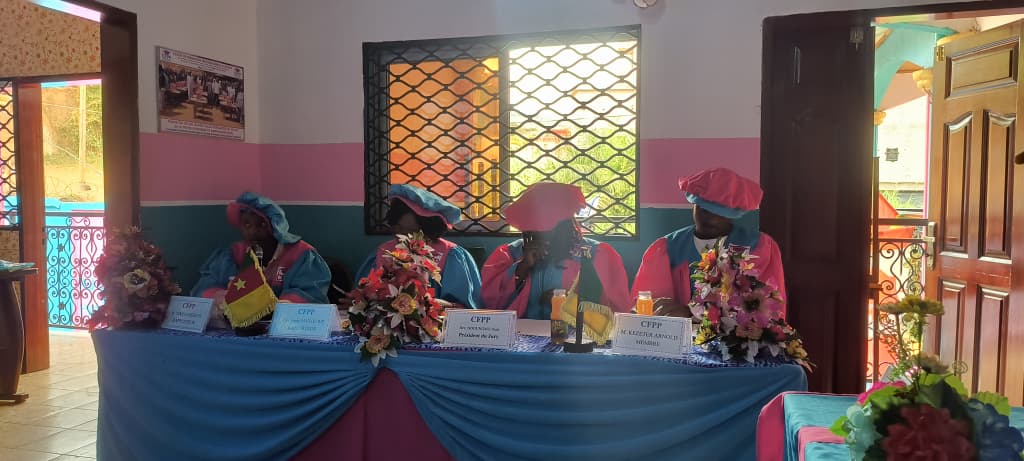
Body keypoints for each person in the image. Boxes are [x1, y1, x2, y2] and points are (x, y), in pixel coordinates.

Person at [631, 167, 786, 317]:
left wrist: (691, 313)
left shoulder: (758, 246)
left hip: (735, 334)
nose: (711, 219)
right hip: (678, 334)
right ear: (693, 205)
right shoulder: (667, 248)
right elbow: (648, 304)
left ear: (733, 214)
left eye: (720, 213)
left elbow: (767, 310)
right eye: (704, 210)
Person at [481, 182, 631, 319]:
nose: (542, 235)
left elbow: (617, 314)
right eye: (534, 229)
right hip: (519, 335)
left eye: (550, 228)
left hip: (574, 336)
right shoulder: (510, 254)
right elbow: (488, 307)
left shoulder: (596, 255)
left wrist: (569, 302)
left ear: (567, 225)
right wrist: (522, 267)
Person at [192, 192, 331, 321]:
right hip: (238, 327)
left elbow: (310, 294)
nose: (253, 231)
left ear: (275, 226)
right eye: (247, 224)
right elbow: (206, 287)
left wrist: (276, 308)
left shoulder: (301, 254)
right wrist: (223, 301)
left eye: (262, 224)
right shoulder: (233, 254)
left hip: (287, 327)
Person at [354, 184, 482, 309]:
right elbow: (363, 296)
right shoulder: (383, 251)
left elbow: (464, 309)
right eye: (397, 229)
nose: (402, 237)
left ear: (427, 229)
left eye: (410, 232)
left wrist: (430, 304)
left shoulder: (451, 255)